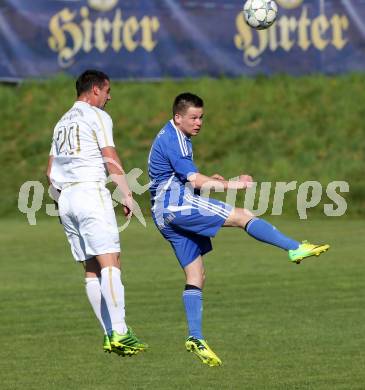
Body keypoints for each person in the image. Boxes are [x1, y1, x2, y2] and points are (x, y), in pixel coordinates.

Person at [147, 92, 329, 367]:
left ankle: (195, 337)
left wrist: (210, 181)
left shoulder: (174, 135)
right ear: (178, 117)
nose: (198, 123)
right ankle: (294, 248)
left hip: (163, 214)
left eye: (201, 117)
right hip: (177, 206)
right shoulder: (175, 140)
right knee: (243, 215)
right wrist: (233, 185)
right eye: (193, 118)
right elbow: (194, 178)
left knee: (196, 274)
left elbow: (182, 178)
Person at [46, 69, 147, 357]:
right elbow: (110, 157)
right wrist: (126, 194)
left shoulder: (61, 123)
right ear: (94, 91)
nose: (109, 97)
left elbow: (49, 171)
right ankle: (121, 332)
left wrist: (62, 202)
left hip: (67, 198)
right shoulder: (97, 116)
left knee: (91, 268)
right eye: (107, 91)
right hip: (91, 192)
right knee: (111, 261)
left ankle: (107, 335)